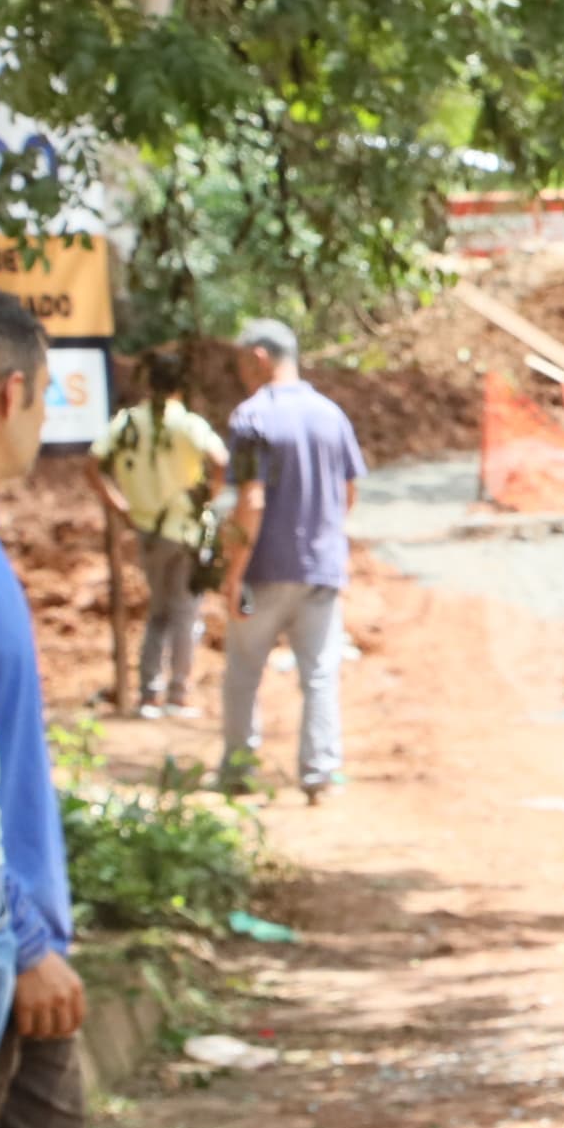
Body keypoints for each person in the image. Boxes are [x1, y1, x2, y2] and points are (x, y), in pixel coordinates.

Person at [0, 289, 190, 1128]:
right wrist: (22, 935)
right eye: (45, 396)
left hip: (20, 936)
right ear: (6, 390)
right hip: (5, 939)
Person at [216, 317, 366, 805]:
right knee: (320, 673)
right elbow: (348, 492)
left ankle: (239, 770)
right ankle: (319, 773)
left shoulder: (251, 419)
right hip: (321, 568)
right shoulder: (331, 415)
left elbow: (250, 501)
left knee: (243, 671)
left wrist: (233, 572)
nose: (241, 373)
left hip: (263, 569)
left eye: (242, 363)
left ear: (259, 357)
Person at [90, 345, 227, 718]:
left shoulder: (128, 423)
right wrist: (208, 497)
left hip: (147, 528)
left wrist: (119, 504)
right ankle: (178, 693)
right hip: (184, 529)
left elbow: (94, 463)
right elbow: (220, 460)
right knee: (185, 612)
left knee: (159, 612)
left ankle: (150, 692)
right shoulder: (186, 423)